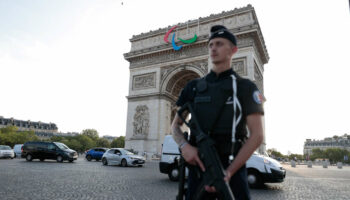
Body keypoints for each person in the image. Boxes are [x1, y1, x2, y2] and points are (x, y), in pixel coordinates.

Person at [171, 25, 264, 200]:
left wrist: (229, 172)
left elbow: (257, 135)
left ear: (234, 50)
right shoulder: (192, 87)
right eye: (211, 44)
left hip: (233, 170)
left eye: (219, 44)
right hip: (198, 167)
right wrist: (185, 146)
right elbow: (175, 127)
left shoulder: (246, 88)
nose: (213, 48)